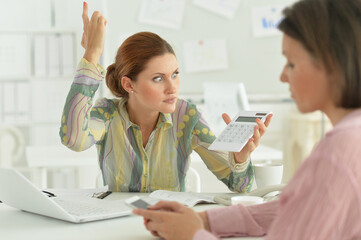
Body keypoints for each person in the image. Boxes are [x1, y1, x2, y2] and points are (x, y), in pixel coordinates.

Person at [133, 0, 361, 239]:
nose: (283, 76)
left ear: (333, 65)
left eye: (291, 63)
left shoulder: (338, 153)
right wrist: (204, 220)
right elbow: (294, 209)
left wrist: (192, 235)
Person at [59, 2, 271, 193]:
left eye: (175, 74)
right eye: (158, 78)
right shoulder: (107, 113)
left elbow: (241, 187)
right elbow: (74, 140)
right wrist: (92, 55)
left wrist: (240, 158)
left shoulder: (187, 116)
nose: (173, 88)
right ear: (129, 84)